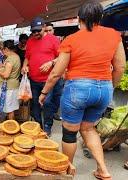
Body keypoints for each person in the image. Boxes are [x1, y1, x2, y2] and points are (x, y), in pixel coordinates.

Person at [39, 1, 126, 178]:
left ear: (79, 19)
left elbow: (56, 73)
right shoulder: (114, 35)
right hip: (103, 89)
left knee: (70, 133)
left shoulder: (71, 39)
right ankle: (103, 169)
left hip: (78, 88)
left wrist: (44, 93)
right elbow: (120, 67)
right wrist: (111, 86)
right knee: (88, 129)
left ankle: (65, 171)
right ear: (100, 18)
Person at [21, 17, 62, 136]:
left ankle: (48, 126)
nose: (36, 33)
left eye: (38, 30)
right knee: (35, 103)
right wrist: (25, 66)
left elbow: (62, 57)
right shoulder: (30, 41)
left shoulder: (53, 40)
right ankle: (38, 125)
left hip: (48, 80)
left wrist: (51, 63)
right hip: (33, 80)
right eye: (33, 31)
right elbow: (27, 57)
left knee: (48, 103)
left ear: (44, 27)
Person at [0, 40, 21, 120]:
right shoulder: (16, 56)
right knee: (11, 107)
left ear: (6, 49)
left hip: (8, 87)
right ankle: (10, 124)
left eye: (3, 49)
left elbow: (6, 75)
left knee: (9, 109)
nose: (3, 52)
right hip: (14, 85)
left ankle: (10, 126)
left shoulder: (10, 60)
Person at [44, 22, 63, 121]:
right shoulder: (42, 41)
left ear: (53, 30)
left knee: (58, 94)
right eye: (46, 30)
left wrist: (52, 62)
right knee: (48, 98)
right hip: (47, 76)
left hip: (58, 72)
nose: (48, 32)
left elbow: (62, 56)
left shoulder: (57, 41)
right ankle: (49, 117)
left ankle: (54, 112)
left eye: (50, 30)